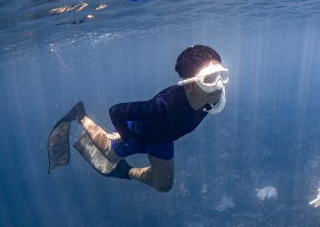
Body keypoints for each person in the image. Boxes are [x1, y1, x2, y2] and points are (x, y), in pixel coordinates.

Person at [54, 45, 228, 192]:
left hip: (164, 138)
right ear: (189, 85)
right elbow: (117, 111)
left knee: (163, 186)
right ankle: (80, 115)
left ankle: (125, 171)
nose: (219, 84)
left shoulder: (213, 98)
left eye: (221, 75)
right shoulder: (162, 108)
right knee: (110, 155)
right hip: (140, 132)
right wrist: (124, 135)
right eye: (210, 78)